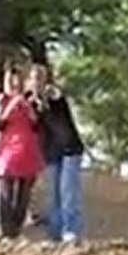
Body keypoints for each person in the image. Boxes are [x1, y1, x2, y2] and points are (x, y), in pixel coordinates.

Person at [27, 62, 85, 244]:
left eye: (40, 78)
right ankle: (55, 232)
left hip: (69, 148)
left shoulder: (54, 95)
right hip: (51, 152)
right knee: (54, 194)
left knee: (68, 191)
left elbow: (56, 100)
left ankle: (70, 230)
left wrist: (44, 98)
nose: (37, 82)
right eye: (34, 78)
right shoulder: (30, 103)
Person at [0, 66, 44, 241]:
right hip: (7, 152)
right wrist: (11, 107)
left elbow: (38, 125)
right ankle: (6, 232)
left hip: (27, 151)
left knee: (23, 195)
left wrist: (28, 107)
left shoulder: (31, 101)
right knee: (6, 193)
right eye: (10, 82)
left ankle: (16, 231)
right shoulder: (1, 101)